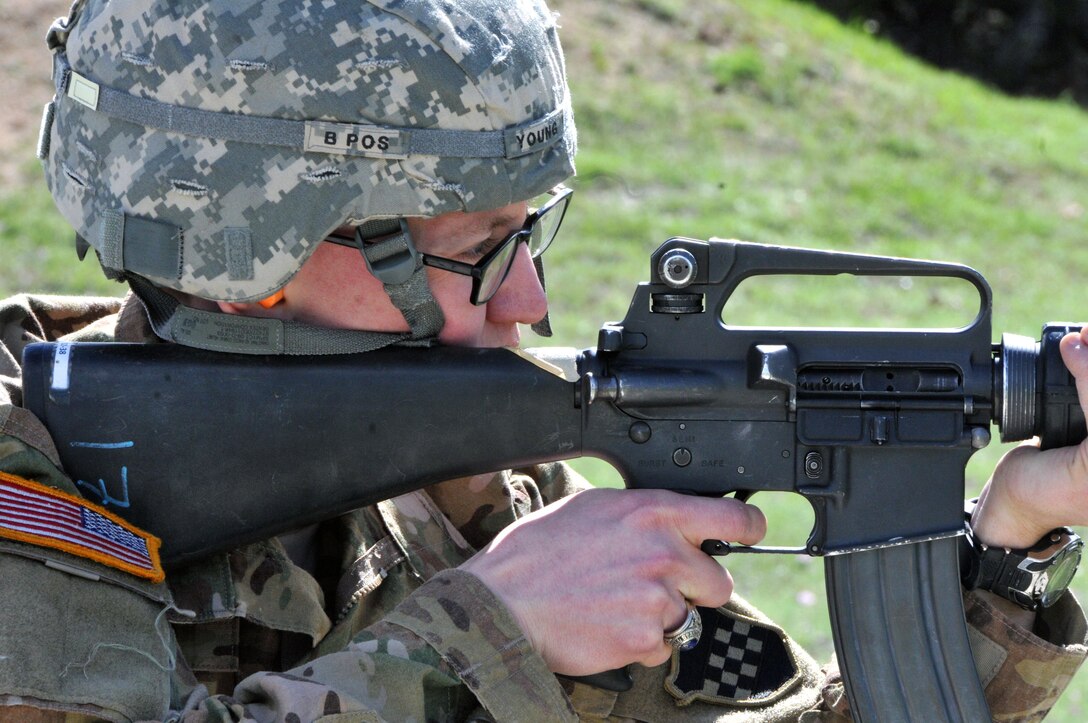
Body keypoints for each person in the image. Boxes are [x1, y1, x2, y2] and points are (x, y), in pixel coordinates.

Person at [0, 0, 1085, 720]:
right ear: (244, 252)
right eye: (476, 251)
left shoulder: (465, 484)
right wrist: (490, 631)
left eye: (528, 236)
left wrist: (1008, 550)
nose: (530, 299)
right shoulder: (29, 503)